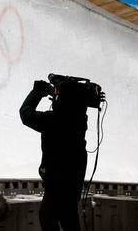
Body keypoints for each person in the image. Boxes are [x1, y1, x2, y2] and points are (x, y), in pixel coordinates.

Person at [20, 79, 88, 231]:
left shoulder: (53, 120)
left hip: (56, 186)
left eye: (58, 92)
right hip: (73, 186)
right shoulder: (79, 121)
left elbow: (25, 113)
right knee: (69, 220)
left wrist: (37, 92)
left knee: (47, 217)